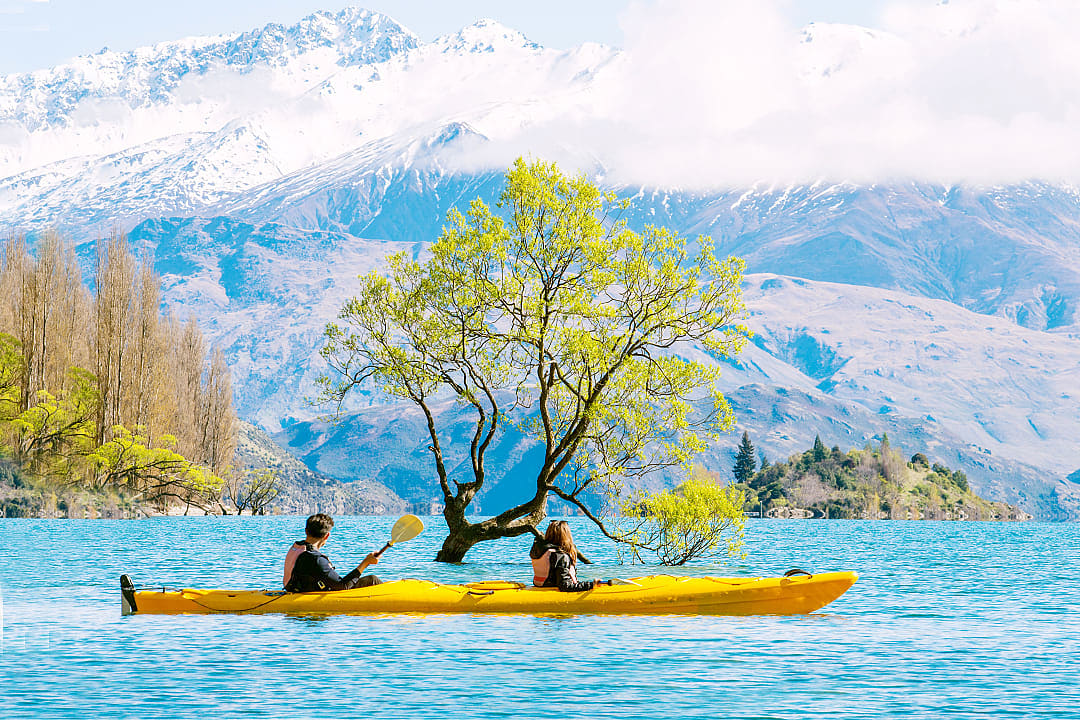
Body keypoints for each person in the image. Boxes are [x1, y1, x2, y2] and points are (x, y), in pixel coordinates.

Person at [284, 513, 382, 592]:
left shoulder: (296, 547)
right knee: (372, 580)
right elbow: (343, 585)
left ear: (306, 531)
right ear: (327, 536)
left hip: (295, 590)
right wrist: (365, 563)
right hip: (310, 595)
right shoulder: (316, 559)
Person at [529, 520, 612, 592]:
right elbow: (565, 586)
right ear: (566, 536)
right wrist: (591, 585)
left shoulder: (541, 551)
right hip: (554, 591)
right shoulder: (561, 556)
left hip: (541, 587)